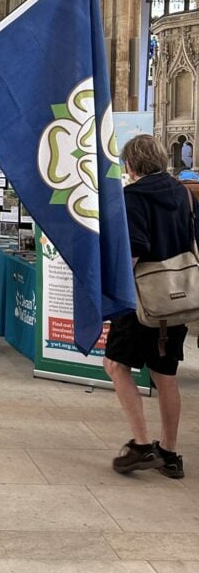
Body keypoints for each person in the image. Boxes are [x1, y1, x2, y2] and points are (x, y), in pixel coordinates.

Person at [103, 134, 199, 479]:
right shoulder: (183, 194)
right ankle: (171, 453)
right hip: (179, 297)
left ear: (130, 164)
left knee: (115, 364)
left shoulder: (131, 197)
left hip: (142, 299)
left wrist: (113, 291)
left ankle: (142, 445)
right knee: (165, 374)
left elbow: (136, 247)